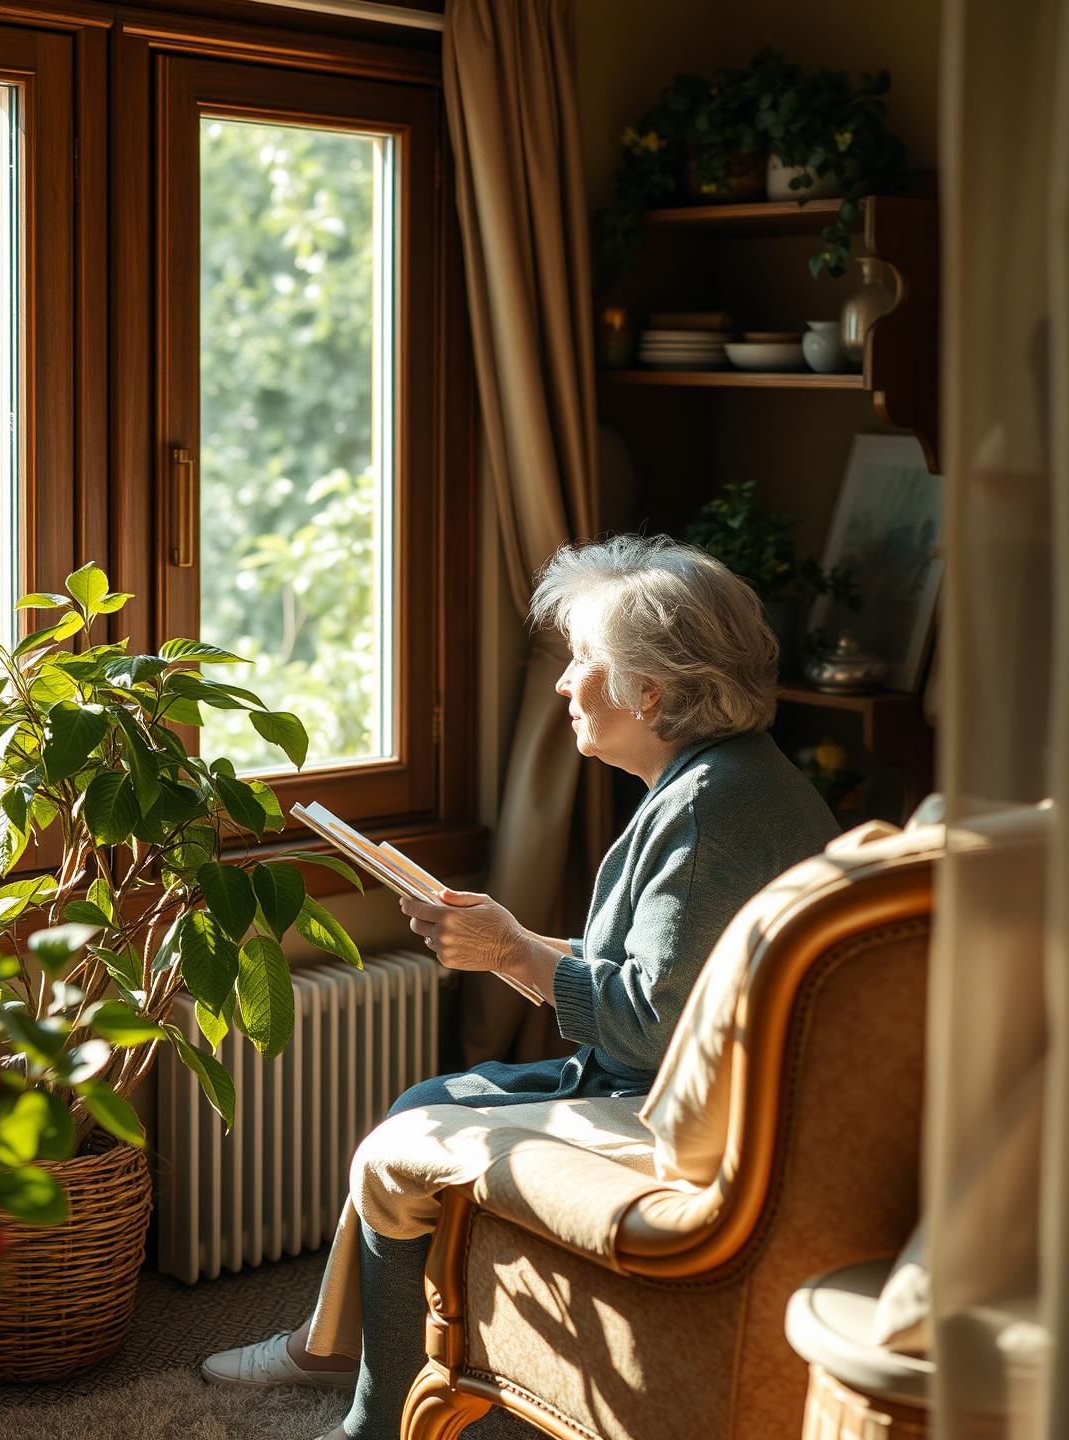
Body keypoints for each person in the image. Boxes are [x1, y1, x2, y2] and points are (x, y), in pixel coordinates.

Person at [201, 534, 839, 1438]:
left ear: (646, 692)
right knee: (424, 1099)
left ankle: (369, 1414)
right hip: (691, 1087)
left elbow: (653, 1025)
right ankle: (333, 1346)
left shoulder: (707, 811)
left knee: (412, 1128)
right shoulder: (731, 781)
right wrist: (510, 940)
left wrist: (510, 953)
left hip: (675, 1115)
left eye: (582, 660)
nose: (562, 683)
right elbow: (668, 973)